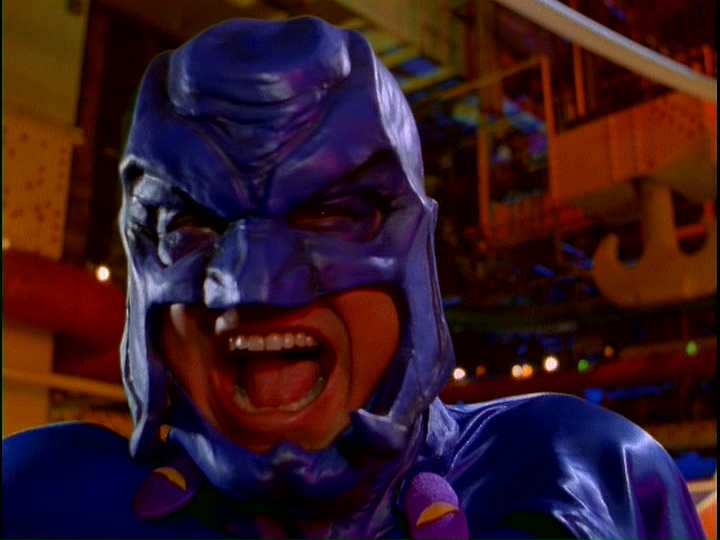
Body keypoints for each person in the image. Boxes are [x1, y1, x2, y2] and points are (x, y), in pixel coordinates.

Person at [2, 16, 706, 540]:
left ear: (414, 252)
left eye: (332, 214)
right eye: (189, 225)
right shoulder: (39, 500)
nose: (253, 286)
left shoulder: (589, 485)